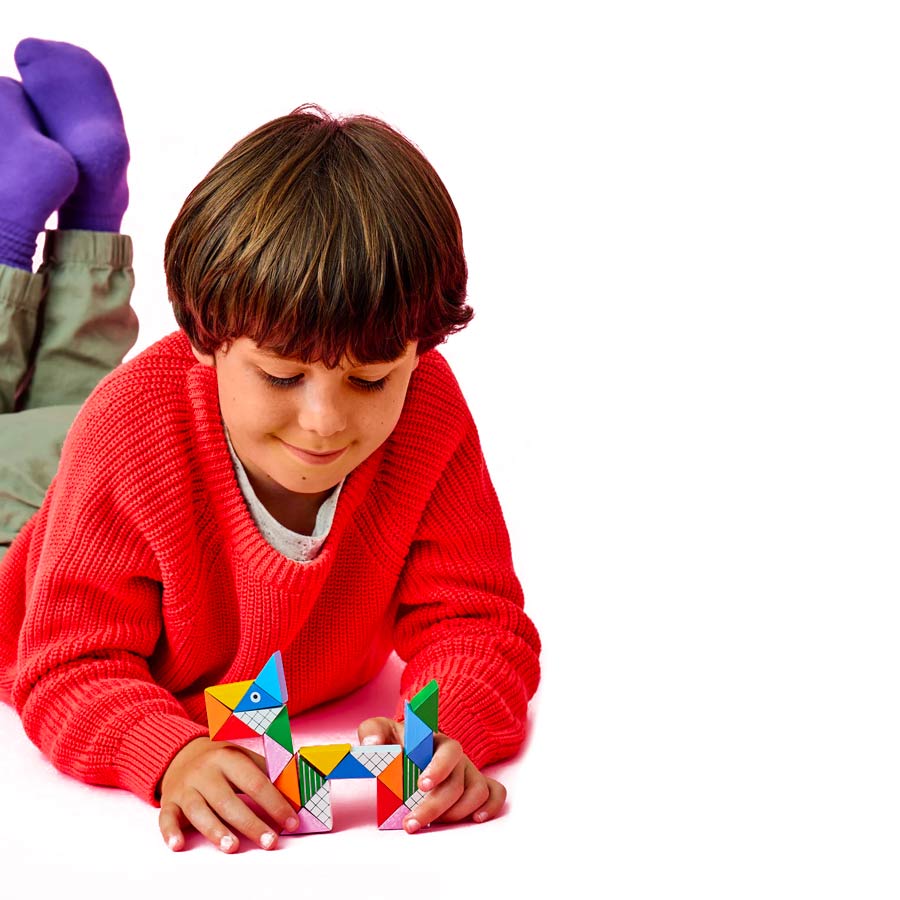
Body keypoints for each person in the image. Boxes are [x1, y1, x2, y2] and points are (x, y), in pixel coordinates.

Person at [0, 38, 541, 854]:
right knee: (30, 415)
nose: (325, 421)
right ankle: (19, 232)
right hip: (18, 531)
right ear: (204, 338)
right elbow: (67, 665)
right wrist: (171, 753)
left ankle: (87, 214)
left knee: (64, 405)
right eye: (284, 375)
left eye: (371, 380)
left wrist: (443, 730)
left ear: (418, 352)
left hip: (101, 465)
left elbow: (476, 619)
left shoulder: (428, 406)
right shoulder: (129, 431)